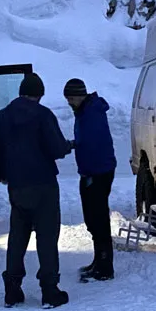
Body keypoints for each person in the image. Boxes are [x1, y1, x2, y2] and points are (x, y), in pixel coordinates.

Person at [0, 72, 73, 309]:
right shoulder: (43, 115)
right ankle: (50, 291)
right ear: (39, 94)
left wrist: (3, 172)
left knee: (18, 237)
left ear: (21, 92)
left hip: (17, 186)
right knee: (46, 237)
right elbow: (55, 148)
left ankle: (12, 290)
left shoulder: (2, 117)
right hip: (44, 185)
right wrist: (66, 146)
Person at [63, 78, 118, 282]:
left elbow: (92, 144)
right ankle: (99, 261)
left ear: (79, 95)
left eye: (70, 97)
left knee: (98, 219)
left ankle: (105, 267)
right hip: (92, 172)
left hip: (97, 173)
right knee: (93, 218)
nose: (68, 102)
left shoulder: (91, 112)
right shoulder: (85, 111)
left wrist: (76, 146)